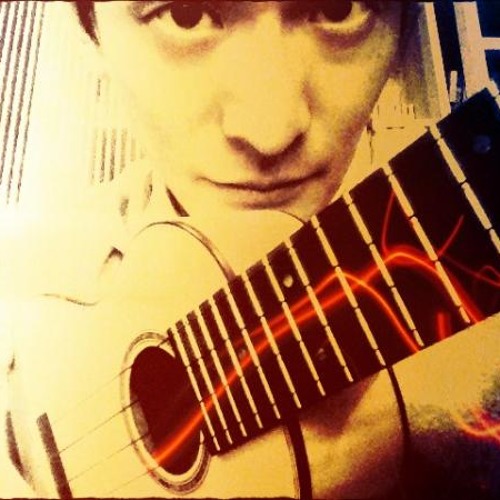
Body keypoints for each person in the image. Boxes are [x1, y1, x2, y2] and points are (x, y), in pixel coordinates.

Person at [1, 1, 499, 498]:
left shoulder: (471, 229)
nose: (270, 131)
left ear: (405, 33)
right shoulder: (29, 300)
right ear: (92, 37)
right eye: (186, 14)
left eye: (336, 8)